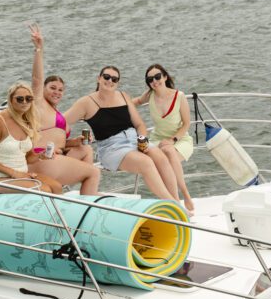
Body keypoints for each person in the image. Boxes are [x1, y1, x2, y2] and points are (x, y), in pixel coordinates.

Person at [64, 66, 179, 201]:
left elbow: (139, 124)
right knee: (146, 163)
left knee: (160, 157)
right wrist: (65, 142)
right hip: (111, 148)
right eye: (106, 77)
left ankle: (176, 200)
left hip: (134, 140)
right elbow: (61, 121)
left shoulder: (123, 96)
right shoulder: (86, 103)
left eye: (114, 79)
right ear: (99, 79)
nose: (110, 81)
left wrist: (142, 140)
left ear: (118, 82)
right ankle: (174, 205)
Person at [28, 24, 100, 195]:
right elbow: (37, 79)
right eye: (53, 87)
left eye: (60, 90)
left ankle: (86, 193)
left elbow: (56, 139)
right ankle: (88, 201)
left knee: (86, 149)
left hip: (57, 156)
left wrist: (73, 142)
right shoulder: (38, 104)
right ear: (44, 89)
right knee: (94, 172)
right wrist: (39, 49)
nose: (57, 92)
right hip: (43, 160)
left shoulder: (56, 113)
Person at [0, 81, 62, 195]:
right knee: (45, 190)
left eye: (28, 98)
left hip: (22, 176)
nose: (25, 102)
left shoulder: (27, 121)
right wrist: (15, 174)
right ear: (10, 100)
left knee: (57, 187)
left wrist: (41, 156)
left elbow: (28, 157)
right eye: (20, 99)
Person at [133, 64, 195, 213]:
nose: (155, 81)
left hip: (179, 139)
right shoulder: (149, 95)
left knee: (168, 150)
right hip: (157, 139)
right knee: (162, 153)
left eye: (157, 76)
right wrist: (116, 103)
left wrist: (173, 140)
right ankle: (176, 202)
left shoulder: (178, 96)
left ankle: (184, 194)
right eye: (150, 79)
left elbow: (187, 124)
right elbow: (135, 102)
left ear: (165, 77)